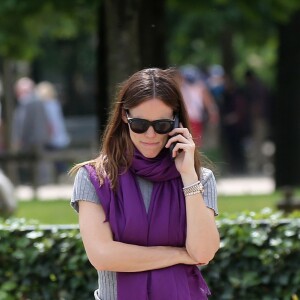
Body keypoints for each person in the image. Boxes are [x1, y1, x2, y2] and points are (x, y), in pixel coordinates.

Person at [70, 68, 220, 300]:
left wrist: (188, 176)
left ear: (177, 121)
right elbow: (102, 255)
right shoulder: (94, 177)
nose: (150, 134)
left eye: (161, 125)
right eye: (139, 124)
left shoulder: (201, 178)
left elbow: (202, 252)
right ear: (124, 116)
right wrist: (179, 255)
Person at [35, 81, 70, 178]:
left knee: (56, 161)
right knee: (59, 161)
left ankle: (60, 177)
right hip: (59, 137)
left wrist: (49, 136)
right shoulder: (55, 104)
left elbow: (51, 123)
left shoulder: (46, 105)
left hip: (52, 138)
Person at [179, 65, 219, 147]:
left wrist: (213, 113)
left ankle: (194, 158)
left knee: (195, 142)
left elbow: (208, 102)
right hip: (185, 118)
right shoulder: (181, 87)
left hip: (196, 118)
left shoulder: (200, 87)